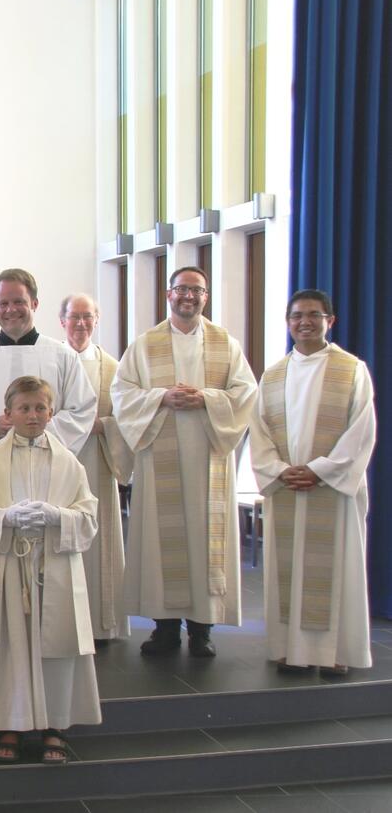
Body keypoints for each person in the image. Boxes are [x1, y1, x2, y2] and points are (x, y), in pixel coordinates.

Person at [0, 269, 96, 676]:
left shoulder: (62, 355)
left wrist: (40, 435)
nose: (11, 309)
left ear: (35, 303)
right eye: (3, 303)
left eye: (19, 301)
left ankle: (44, 667)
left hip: (47, 478)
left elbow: (82, 410)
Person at [112, 267, 257, 657]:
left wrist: (206, 399)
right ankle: (164, 629)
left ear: (205, 297)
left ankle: (202, 630)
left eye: (197, 291)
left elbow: (246, 391)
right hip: (161, 460)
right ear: (168, 293)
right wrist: (162, 397)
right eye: (182, 289)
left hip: (210, 458)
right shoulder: (145, 344)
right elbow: (122, 393)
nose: (188, 296)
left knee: (204, 543)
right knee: (162, 545)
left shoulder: (225, 344)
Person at [0, 376, 101, 765]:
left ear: (51, 413)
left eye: (40, 408)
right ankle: (10, 723)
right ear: (7, 414)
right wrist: (5, 518)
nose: (32, 415)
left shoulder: (69, 461)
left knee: (54, 646)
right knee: (11, 646)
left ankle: (54, 726)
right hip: (10, 567)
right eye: (23, 408)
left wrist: (58, 516)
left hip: (52, 563)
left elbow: (88, 515)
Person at [250, 290, 376, 675]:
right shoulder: (272, 376)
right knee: (288, 572)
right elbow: (258, 432)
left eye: (314, 315)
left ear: (329, 321)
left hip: (331, 491)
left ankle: (334, 652)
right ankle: (291, 650)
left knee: (336, 568)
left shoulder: (352, 369)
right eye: (297, 316)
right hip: (287, 487)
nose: (305, 322)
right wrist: (277, 469)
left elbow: (361, 430)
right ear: (288, 322)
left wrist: (320, 469)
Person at [58, 294, 134, 642]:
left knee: (99, 537)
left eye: (87, 317)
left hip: (98, 460)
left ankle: (102, 625)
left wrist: (104, 426)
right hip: (60, 462)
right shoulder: (52, 360)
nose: (80, 324)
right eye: (74, 317)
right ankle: (62, 622)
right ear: (62, 321)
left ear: (97, 320)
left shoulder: (114, 368)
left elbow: (129, 418)